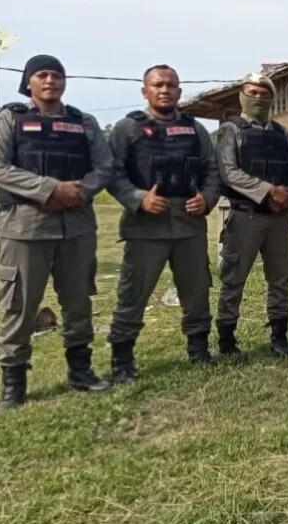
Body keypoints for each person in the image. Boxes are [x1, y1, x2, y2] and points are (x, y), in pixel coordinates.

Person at [0, 55, 113, 414]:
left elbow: (105, 167)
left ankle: (81, 372)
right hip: (26, 229)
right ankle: (14, 387)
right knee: (19, 308)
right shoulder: (11, 119)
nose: (51, 81)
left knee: (78, 304)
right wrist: (49, 189)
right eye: (42, 75)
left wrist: (80, 191)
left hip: (77, 229)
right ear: (28, 83)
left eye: (57, 75)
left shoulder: (83, 122)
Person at [105, 64, 221, 382]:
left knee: (196, 291)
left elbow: (212, 171)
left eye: (171, 85)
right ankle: (123, 359)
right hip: (145, 227)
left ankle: (199, 350)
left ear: (179, 92)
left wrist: (207, 199)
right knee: (133, 294)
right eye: (158, 84)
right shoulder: (127, 128)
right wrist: (137, 198)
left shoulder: (195, 130)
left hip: (189, 224)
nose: (165, 89)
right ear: (145, 91)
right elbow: (111, 172)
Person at [214, 72, 288, 359]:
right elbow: (229, 172)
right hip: (245, 216)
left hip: (277, 218)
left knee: (280, 278)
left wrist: (287, 194)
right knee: (234, 279)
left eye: (264, 93)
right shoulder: (231, 130)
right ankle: (227, 341)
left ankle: (279, 337)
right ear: (241, 95)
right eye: (252, 92)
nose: (258, 98)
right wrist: (267, 191)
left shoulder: (281, 133)